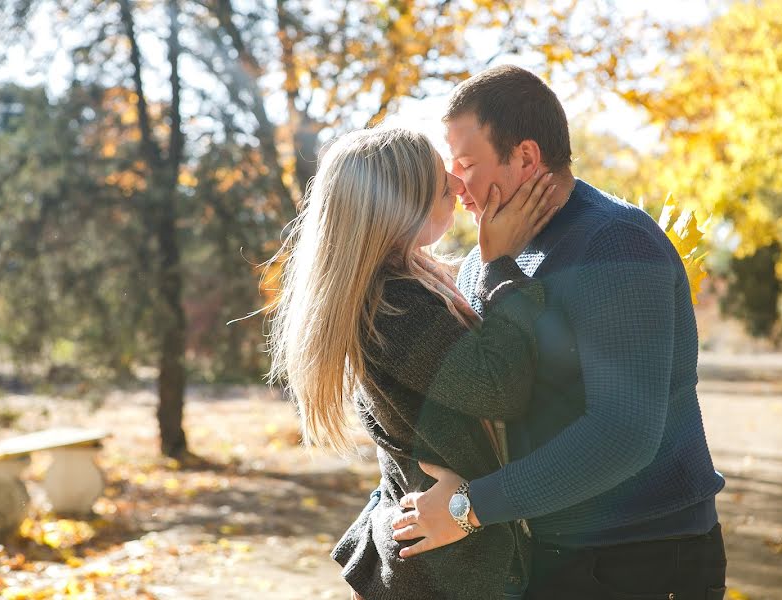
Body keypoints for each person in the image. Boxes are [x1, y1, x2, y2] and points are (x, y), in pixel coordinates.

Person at [390, 65, 728, 599]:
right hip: (545, 554)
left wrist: (470, 508)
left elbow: (623, 434)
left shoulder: (617, 244)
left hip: (644, 556)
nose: (455, 185)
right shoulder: (486, 259)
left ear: (526, 157)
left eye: (467, 163)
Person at [266, 126, 562, 599]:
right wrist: (502, 268)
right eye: (442, 183)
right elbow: (499, 389)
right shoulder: (392, 306)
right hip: (444, 575)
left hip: (437, 559)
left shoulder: (411, 280)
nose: (458, 183)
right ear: (397, 205)